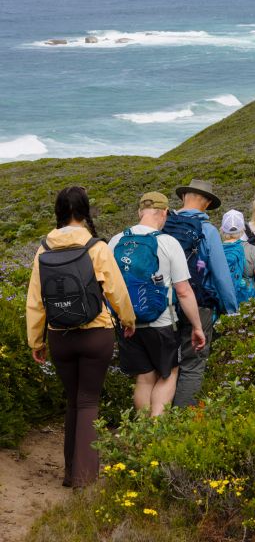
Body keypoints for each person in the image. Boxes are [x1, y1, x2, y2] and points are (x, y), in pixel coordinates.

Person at [25, 186, 136, 488]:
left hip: (59, 336)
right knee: (88, 402)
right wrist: (128, 320)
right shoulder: (95, 247)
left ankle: (68, 472)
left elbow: (35, 301)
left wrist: (36, 341)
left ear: (59, 212)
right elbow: (117, 290)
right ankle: (84, 480)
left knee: (73, 402)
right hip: (95, 334)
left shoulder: (43, 249)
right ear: (84, 211)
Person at [108, 192, 206, 416]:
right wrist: (197, 327)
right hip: (162, 323)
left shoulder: (115, 241)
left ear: (140, 212)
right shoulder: (167, 242)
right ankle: (154, 430)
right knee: (168, 374)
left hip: (128, 323)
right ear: (163, 213)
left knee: (143, 379)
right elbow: (183, 291)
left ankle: (141, 432)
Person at [168, 179, 237, 408]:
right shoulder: (207, 230)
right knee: (192, 365)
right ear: (206, 203)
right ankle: (181, 425)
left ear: (183, 197)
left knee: (166, 365)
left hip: (163, 307)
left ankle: (153, 425)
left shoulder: (164, 225)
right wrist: (233, 310)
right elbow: (220, 275)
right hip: (198, 305)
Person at [220, 209, 255, 305]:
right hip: (248, 303)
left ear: (222, 229)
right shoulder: (251, 249)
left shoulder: (216, 250)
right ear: (243, 229)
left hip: (224, 303)